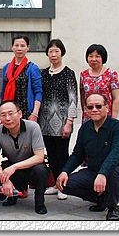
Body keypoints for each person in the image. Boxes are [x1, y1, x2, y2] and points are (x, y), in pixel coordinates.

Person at [56, 94, 119, 220]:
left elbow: (116, 152)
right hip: (94, 171)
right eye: (90, 107)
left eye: (98, 106)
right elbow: (77, 154)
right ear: (86, 110)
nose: (94, 110)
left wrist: (103, 173)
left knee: (114, 173)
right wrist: (65, 171)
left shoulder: (117, 127)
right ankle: (102, 198)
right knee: (65, 184)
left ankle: (113, 207)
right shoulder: (85, 128)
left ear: (107, 108)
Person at [0, 100, 49, 215]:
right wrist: (4, 179)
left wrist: (14, 167)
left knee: (41, 170)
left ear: (19, 114)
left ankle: (39, 202)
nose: (7, 118)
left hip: (30, 167)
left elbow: (39, 157)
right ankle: (11, 194)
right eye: (3, 115)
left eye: (11, 113)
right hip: (11, 168)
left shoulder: (33, 127)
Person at [39, 39, 78, 200]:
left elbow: (73, 98)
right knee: (51, 154)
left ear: (62, 53)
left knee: (62, 154)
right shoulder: (43, 73)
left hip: (62, 121)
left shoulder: (68, 73)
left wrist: (70, 121)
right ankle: (56, 183)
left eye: (57, 51)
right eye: (50, 51)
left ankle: (64, 185)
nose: (53, 54)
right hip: (44, 122)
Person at [0, 35, 42, 121]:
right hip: (9, 112)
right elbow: (3, 91)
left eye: (22, 46)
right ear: (12, 47)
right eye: (16, 45)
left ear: (28, 48)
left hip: (26, 112)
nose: (19, 48)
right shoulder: (6, 67)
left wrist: (35, 113)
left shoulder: (33, 68)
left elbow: (38, 92)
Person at [79, 44, 119, 122]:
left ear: (103, 58)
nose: (93, 59)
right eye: (90, 56)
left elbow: (116, 98)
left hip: (106, 116)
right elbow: (83, 97)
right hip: (89, 116)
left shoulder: (111, 74)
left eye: (97, 56)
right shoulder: (83, 75)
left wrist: (114, 118)